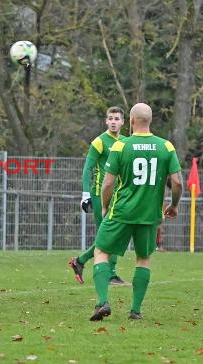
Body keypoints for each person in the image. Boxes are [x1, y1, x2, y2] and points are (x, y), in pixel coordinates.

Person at [89, 102, 182, 321]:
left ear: (130, 121)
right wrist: (174, 205)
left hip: (121, 211)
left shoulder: (121, 146)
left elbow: (107, 184)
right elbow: (177, 182)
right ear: (150, 121)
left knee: (101, 251)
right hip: (150, 214)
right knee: (143, 259)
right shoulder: (166, 146)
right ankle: (136, 311)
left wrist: (104, 205)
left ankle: (103, 302)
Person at [69, 107, 126, 285]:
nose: (114, 121)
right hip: (100, 193)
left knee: (117, 233)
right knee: (109, 234)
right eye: (110, 118)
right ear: (106, 121)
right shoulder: (100, 141)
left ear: (123, 122)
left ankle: (81, 261)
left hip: (119, 194)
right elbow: (88, 168)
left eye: (117, 118)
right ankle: (110, 274)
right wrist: (85, 194)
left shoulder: (126, 141)